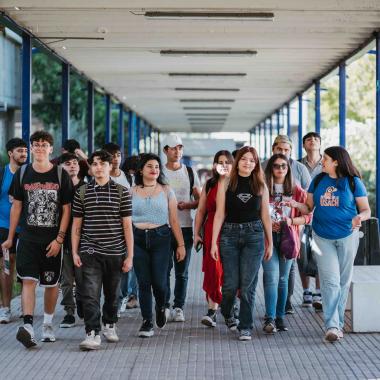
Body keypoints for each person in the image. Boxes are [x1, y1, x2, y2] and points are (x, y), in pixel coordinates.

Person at [291, 146, 371, 343]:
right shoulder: (318, 180)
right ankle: (332, 325)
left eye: (325, 158)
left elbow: (366, 210)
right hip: (322, 236)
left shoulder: (353, 182)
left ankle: (339, 322)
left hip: (347, 236)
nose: (322, 161)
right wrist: (293, 204)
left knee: (343, 282)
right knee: (330, 281)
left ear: (336, 161)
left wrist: (359, 218)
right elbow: (309, 207)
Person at [2, 130, 73, 348]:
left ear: (51, 149)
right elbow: (17, 207)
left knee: (51, 284)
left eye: (44, 145)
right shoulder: (23, 173)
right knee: (29, 281)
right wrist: (10, 237)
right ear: (32, 148)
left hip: (52, 241)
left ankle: (48, 325)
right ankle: (28, 325)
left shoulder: (61, 174)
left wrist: (59, 240)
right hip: (28, 240)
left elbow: (67, 209)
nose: (40, 148)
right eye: (36, 145)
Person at [71, 150, 134, 350]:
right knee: (90, 293)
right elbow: (77, 226)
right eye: (95, 164)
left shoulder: (122, 192)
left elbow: (127, 226)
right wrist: (74, 252)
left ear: (109, 166)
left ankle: (109, 324)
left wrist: (130, 255)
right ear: (90, 167)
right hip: (89, 251)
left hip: (116, 252)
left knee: (113, 294)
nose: (98, 167)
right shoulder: (82, 192)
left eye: (102, 163)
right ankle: (92, 332)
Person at [211, 146, 272, 341]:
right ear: (238, 161)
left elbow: (265, 216)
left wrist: (269, 242)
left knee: (247, 285)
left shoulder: (261, 185)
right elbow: (220, 213)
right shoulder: (226, 183)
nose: (248, 163)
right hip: (229, 235)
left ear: (256, 164)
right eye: (244, 159)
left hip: (254, 236)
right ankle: (227, 310)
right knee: (229, 285)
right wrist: (213, 242)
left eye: (252, 160)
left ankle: (245, 326)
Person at [131, 153, 185, 337]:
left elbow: (174, 220)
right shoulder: (132, 191)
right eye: (149, 166)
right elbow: (125, 219)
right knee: (143, 282)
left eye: (156, 166)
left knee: (160, 282)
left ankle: (161, 305)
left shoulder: (166, 190)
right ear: (141, 170)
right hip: (137, 238)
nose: (154, 170)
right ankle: (147, 321)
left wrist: (181, 245)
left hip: (161, 237)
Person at [262, 135, 311, 314]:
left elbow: (308, 207)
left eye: (284, 164)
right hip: (267, 235)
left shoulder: (299, 175)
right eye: (276, 165)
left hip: (290, 234)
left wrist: (291, 220)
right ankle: (271, 315)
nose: (280, 168)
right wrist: (267, 224)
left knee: (284, 276)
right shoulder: (262, 179)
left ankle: (283, 309)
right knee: (271, 276)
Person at [162, 135, 201, 322]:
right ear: (165, 151)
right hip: (162, 227)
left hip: (184, 227)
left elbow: (201, 200)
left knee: (182, 271)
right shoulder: (158, 172)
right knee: (163, 270)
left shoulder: (189, 172)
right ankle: (165, 305)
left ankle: (179, 306)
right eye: (173, 148)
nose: (177, 151)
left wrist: (189, 205)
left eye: (180, 148)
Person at [193, 150, 233, 327]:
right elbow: (201, 210)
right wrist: (196, 233)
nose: (223, 165)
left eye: (227, 161)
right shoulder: (209, 184)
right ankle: (212, 311)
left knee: (230, 270)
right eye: (220, 162)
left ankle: (231, 309)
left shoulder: (237, 184)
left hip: (232, 230)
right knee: (213, 270)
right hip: (210, 231)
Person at [102, 143, 138, 314]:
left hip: (125, 228)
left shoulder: (129, 179)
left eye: (118, 155)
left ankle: (121, 297)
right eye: (111, 155)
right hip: (104, 229)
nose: (115, 159)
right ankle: (111, 298)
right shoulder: (100, 177)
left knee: (125, 264)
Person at [0, 138, 28, 323]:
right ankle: (6, 308)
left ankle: (26, 308)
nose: (24, 154)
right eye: (20, 151)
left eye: (25, 151)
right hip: (3, 226)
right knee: (6, 266)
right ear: (10, 153)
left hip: (26, 227)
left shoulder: (30, 173)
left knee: (25, 267)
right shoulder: (2, 173)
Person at [58, 153, 85, 328]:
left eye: (75, 163)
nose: (73, 166)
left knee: (83, 279)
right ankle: (69, 311)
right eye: (68, 164)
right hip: (65, 241)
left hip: (84, 243)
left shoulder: (87, 188)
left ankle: (83, 303)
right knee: (66, 280)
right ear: (61, 167)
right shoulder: (57, 188)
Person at [299, 132, 324, 310]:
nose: (312, 141)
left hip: (321, 217)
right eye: (309, 139)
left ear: (320, 144)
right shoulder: (298, 165)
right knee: (302, 254)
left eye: (316, 139)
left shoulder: (328, 164)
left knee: (320, 255)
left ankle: (318, 292)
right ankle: (306, 290)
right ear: (304, 145)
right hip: (301, 216)